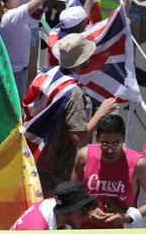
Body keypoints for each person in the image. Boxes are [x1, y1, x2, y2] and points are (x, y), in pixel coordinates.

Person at [23, 34, 119, 197]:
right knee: (52, 210)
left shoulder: (47, 73)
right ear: (81, 61)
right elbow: (78, 138)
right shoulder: (73, 94)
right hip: (55, 165)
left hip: (34, 152)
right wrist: (100, 113)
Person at [71, 114, 146, 229]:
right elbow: (73, 192)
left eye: (116, 143)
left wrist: (128, 217)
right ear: (97, 138)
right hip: (86, 231)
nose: (110, 149)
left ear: (124, 138)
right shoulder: (84, 156)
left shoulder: (138, 164)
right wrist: (88, 210)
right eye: (104, 143)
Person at [0, 0, 62, 97]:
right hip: (14, 74)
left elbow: (37, 9)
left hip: (10, 71)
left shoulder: (6, 13)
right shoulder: (12, 17)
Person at [11, 180, 99, 230]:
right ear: (64, 213)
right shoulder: (36, 230)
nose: (86, 217)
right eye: (81, 214)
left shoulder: (56, 203)